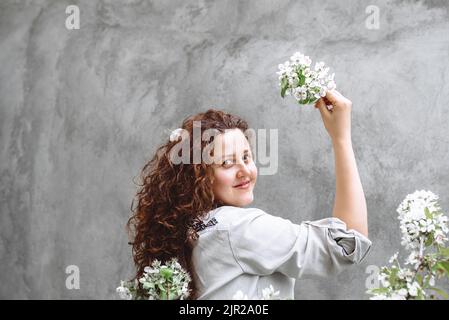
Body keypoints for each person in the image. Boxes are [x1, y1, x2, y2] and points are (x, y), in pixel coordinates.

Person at [127, 89, 372, 299]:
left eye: (246, 157)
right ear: (199, 174)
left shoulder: (191, 229)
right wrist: (341, 139)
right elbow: (348, 243)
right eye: (226, 163)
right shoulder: (237, 228)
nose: (244, 171)